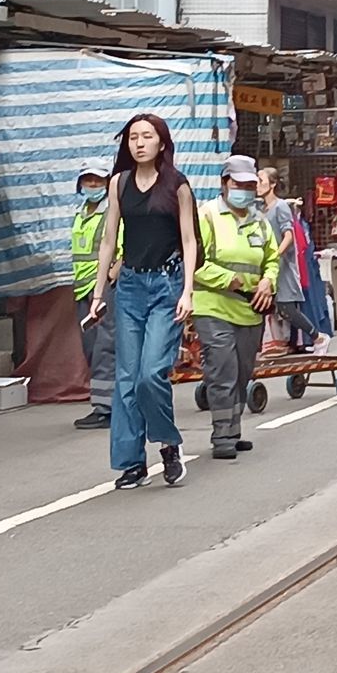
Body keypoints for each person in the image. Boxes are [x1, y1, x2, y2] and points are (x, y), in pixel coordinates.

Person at [88, 114, 199, 490]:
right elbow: (108, 241)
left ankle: (168, 444)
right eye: (133, 137)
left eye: (146, 136)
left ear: (161, 143)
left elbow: (189, 242)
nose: (139, 143)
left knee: (151, 373)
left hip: (167, 286)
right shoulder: (118, 183)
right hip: (131, 286)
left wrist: (187, 291)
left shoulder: (177, 186)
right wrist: (98, 292)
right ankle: (131, 462)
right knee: (126, 378)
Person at [194, 155, 279, 459]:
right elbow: (194, 264)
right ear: (225, 183)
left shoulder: (259, 220)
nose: (244, 190)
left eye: (250, 185)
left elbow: (272, 258)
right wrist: (231, 280)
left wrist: (269, 282)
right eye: (238, 184)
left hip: (250, 309)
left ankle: (234, 429)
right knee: (223, 371)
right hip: (213, 306)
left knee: (243, 371)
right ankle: (221, 435)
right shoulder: (206, 217)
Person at [257, 167, 330, 355]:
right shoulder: (260, 209)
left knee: (286, 307)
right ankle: (271, 345)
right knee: (266, 305)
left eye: (261, 180)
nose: (257, 185)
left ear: (272, 184)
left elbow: (288, 235)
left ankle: (318, 337)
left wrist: (275, 255)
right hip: (267, 266)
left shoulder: (280, 207)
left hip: (282, 266)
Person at [72, 160, 121, 430]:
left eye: (98, 180)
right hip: (83, 288)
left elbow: (122, 247)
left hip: (103, 290)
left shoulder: (111, 212)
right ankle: (110, 402)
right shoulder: (81, 213)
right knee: (91, 346)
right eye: (88, 180)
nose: (93, 185)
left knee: (105, 346)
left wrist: (112, 275)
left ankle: (105, 408)